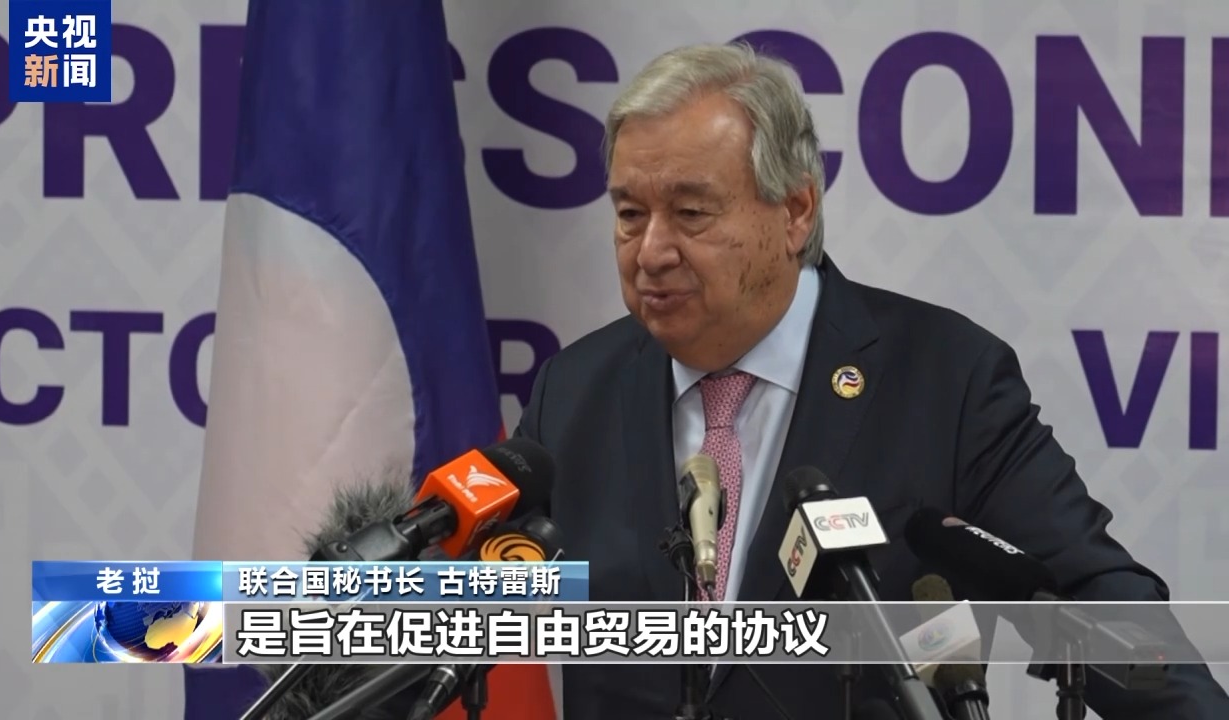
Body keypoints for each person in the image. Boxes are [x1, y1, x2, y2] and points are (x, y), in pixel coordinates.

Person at [512, 42, 1229, 719]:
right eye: (630, 214)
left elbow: (1090, 599)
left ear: (795, 211)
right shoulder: (573, 392)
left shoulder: (946, 381)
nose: (651, 251)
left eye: (691, 213)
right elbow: (494, 612)